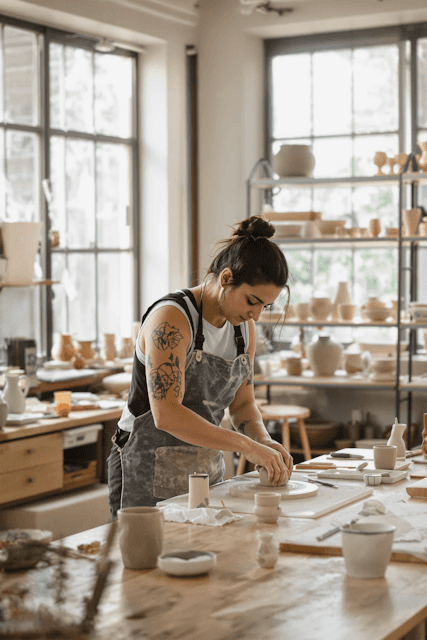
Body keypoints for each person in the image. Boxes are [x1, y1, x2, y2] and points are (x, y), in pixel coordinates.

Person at [107, 215, 293, 518]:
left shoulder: (243, 329)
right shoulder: (172, 319)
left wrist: (263, 440)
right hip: (145, 463)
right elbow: (167, 414)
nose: (257, 315)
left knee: (205, 553)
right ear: (225, 278)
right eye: (252, 301)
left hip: (204, 466)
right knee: (146, 560)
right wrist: (247, 447)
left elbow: (243, 404)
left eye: (265, 306)